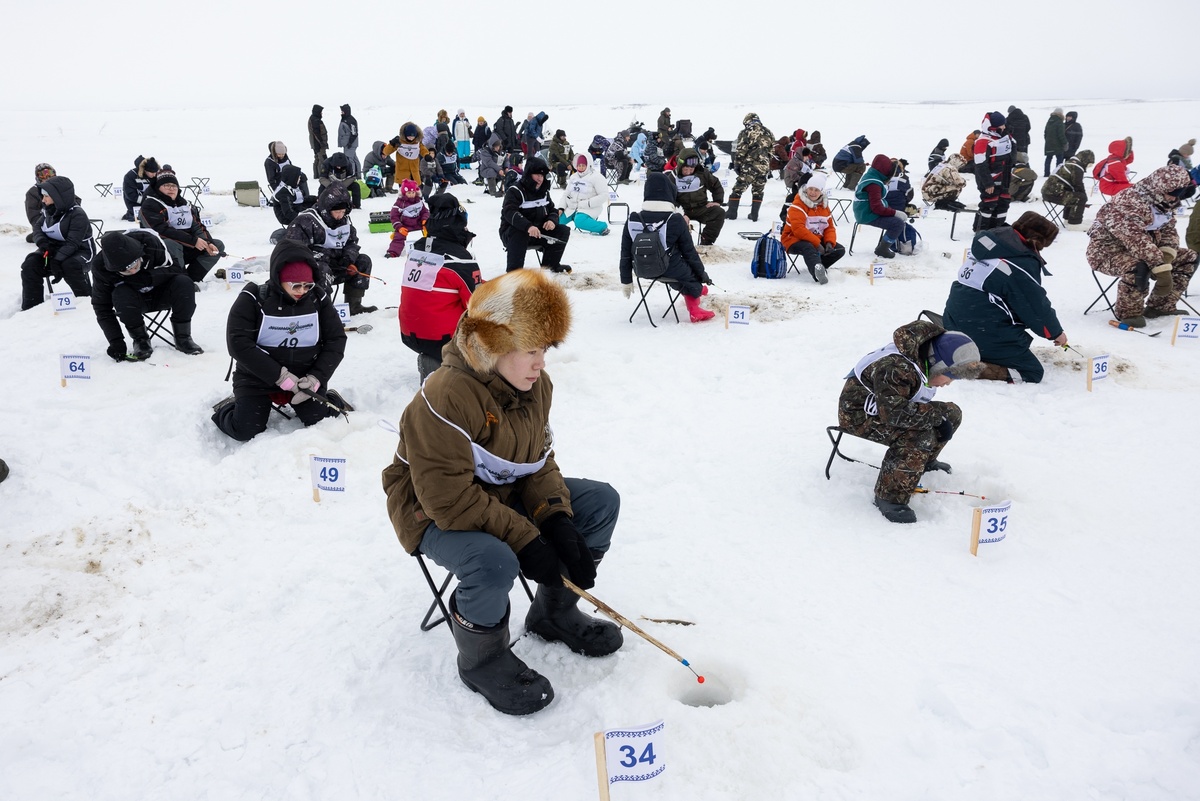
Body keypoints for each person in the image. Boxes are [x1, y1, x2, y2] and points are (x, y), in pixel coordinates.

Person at [382, 267, 622, 716]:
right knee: (495, 560)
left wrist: (555, 518)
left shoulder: (534, 385)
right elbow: (447, 501)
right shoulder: (445, 394)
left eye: (545, 349)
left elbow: (537, 460)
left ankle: (554, 612)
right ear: (492, 346)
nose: (541, 363)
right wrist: (528, 539)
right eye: (530, 350)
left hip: (498, 494)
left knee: (599, 502)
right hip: (429, 510)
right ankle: (482, 659)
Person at [837, 321, 982, 523]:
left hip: (890, 407)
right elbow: (895, 415)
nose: (948, 383)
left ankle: (924, 459)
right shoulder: (896, 368)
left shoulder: (922, 359)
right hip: (860, 414)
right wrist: (934, 417)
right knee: (918, 433)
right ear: (937, 364)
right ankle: (890, 497)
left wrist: (939, 418)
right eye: (949, 376)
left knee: (952, 413)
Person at [212, 240, 348, 441]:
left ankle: (330, 398)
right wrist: (281, 377)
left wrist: (316, 378)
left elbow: (336, 340)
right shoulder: (253, 298)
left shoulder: (318, 299)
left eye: (307, 285)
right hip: (257, 378)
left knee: (319, 420)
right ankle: (229, 407)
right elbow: (238, 344)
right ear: (279, 279)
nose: (302, 291)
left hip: (304, 380)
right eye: (295, 285)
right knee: (245, 430)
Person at [943, 212, 1065, 383]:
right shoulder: (1019, 263)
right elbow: (1034, 306)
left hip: (953, 322)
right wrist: (1055, 333)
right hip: (981, 331)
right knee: (1032, 372)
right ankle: (971, 367)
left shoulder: (992, 243)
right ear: (1037, 241)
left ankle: (962, 348)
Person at [1086, 164, 1197, 327]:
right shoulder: (1129, 201)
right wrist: (1160, 266)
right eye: (1171, 194)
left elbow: (1168, 230)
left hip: (1148, 250)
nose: (1174, 199)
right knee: (1138, 266)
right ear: (1159, 189)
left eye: (1178, 195)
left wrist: (1166, 256)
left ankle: (1161, 306)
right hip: (1107, 253)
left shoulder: (1164, 203)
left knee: (1189, 257)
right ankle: (1129, 313)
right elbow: (1135, 238)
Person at [400, 193, 484, 381]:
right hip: (441, 338)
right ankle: (465, 368)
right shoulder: (460, 258)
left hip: (409, 332)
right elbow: (477, 304)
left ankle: (435, 360)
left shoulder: (418, 249)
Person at [92, 230, 203, 361]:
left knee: (184, 283)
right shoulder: (101, 267)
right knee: (120, 293)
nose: (132, 271)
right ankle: (140, 340)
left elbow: (177, 269)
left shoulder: (150, 243)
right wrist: (116, 341)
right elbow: (101, 306)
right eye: (126, 271)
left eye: (135, 265)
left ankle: (183, 337)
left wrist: (148, 277)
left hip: (161, 293)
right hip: (132, 304)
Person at [619, 172, 715, 322]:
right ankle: (695, 307)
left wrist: (626, 281)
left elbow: (625, 254)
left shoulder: (633, 218)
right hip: (669, 268)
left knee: (680, 276)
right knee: (690, 277)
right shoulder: (675, 219)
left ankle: (697, 289)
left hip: (642, 269)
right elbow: (690, 253)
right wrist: (702, 276)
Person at [285, 184, 376, 313]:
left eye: (343, 212)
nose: (340, 215)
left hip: (339, 265)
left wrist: (347, 259)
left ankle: (353, 305)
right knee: (322, 268)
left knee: (363, 261)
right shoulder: (305, 221)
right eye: (337, 212)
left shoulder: (345, 222)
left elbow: (352, 243)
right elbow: (295, 250)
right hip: (313, 270)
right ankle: (323, 311)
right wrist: (326, 258)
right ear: (326, 209)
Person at [20, 175, 94, 310]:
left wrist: (56, 260)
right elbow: (37, 228)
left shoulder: (77, 214)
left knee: (69, 265)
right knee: (30, 264)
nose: (43, 200)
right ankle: (31, 308)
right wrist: (42, 243)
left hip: (81, 251)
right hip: (54, 250)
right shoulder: (48, 211)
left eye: (46, 196)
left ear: (57, 196)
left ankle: (87, 303)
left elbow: (73, 243)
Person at [139, 173, 223, 282]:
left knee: (217, 246)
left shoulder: (184, 204)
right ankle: (181, 280)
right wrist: (193, 241)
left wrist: (207, 242)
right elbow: (160, 230)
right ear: (158, 188)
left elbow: (197, 227)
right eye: (166, 185)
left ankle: (192, 278)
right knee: (171, 244)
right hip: (158, 250)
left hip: (186, 245)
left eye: (174, 186)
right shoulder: (150, 205)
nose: (171, 189)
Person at [499, 157, 571, 274]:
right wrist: (528, 226)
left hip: (538, 232)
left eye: (542, 176)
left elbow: (552, 210)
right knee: (519, 232)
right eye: (537, 174)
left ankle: (550, 266)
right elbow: (510, 213)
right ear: (528, 174)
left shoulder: (544, 192)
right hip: (513, 233)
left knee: (562, 230)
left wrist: (552, 220)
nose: (540, 179)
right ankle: (514, 272)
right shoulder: (515, 191)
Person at [781, 173, 844, 284]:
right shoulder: (798, 204)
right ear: (806, 189)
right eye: (810, 189)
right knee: (808, 247)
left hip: (816, 238)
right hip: (793, 239)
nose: (813, 193)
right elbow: (798, 229)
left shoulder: (824, 206)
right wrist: (817, 244)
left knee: (838, 250)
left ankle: (819, 267)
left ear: (821, 192)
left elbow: (829, 227)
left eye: (816, 190)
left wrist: (829, 242)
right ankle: (817, 274)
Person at [853, 154, 914, 260]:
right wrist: (895, 213)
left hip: (865, 211)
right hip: (867, 215)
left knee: (896, 221)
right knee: (897, 224)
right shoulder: (874, 184)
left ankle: (884, 245)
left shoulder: (871, 176)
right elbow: (877, 208)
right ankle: (883, 249)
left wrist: (891, 210)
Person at [726, 112, 775, 221]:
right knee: (758, 190)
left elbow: (741, 151)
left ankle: (731, 213)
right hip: (764, 166)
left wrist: (737, 164)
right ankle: (754, 215)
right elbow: (771, 151)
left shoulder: (746, 132)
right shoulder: (768, 132)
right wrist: (767, 164)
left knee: (738, 188)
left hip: (749, 165)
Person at [674, 147, 725, 245]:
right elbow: (668, 198)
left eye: (691, 169)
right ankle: (681, 246)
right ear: (680, 166)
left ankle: (706, 242)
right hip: (681, 211)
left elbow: (716, 185)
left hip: (701, 208)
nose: (689, 172)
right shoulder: (672, 177)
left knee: (719, 213)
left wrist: (717, 201)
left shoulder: (702, 173)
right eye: (686, 169)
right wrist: (680, 213)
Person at [973, 111, 1014, 230]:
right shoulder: (983, 141)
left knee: (1004, 203)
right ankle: (981, 229)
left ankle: (998, 228)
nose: (1004, 127)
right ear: (994, 127)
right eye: (1002, 125)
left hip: (1004, 178)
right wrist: (988, 183)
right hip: (990, 180)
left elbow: (1012, 154)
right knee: (989, 203)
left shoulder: (1003, 138)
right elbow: (980, 164)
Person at [559, 153, 610, 236]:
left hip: (587, 208)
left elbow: (604, 195)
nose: (581, 167)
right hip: (571, 208)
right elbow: (566, 193)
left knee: (579, 221)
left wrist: (587, 203)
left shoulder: (597, 177)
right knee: (556, 220)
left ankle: (602, 227)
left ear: (589, 165)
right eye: (579, 165)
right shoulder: (574, 177)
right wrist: (561, 208)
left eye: (583, 165)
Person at [1042, 149, 1094, 225]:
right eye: (1089, 164)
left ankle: (1068, 219)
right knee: (1080, 198)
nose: (1088, 166)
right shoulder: (1076, 167)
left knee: (1073, 195)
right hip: (1054, 194)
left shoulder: (1069, 163)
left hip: (1048, 193)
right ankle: (1074, 224)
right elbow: (1078, 184)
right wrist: (1084, 199)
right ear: (1085, 160)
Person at [384, 179, 430, 259]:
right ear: (404, 193)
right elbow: (394, 217)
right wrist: (399, 227)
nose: (411, 194)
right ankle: (392, 252)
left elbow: (425, 212)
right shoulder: (399, 203)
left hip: (418, 225)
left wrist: (424, 219)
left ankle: (430, 251)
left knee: (429, 234)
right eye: (409, 193)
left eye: (413, 192)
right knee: (399, 238)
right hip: (405, 226)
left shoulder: (419, 202)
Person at [24, 163, 67, 243]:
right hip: (46, 227)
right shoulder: (33, 193)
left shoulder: (61, 188)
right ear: (38, 178)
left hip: (65, 224)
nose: (48, 178)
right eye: (43, 176)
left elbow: (75, 201)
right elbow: (33, 217)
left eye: (50, 175)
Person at [382, 122, 428, 189]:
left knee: (416, 194)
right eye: (409, 136)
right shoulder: (399, 142)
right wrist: (392, 144)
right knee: (405, 195)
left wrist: (427, 155)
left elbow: (423, 150)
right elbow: (386, 152)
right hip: (402, 173)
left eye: (413, 136)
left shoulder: (417, 142)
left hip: (414, 173)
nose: (411, 138)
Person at [271, 164, 315, 232]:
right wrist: (303, 220)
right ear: (292, 178)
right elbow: (288, 212)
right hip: (285, 216)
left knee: (314, 205)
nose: (300, 179)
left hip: (294, 207)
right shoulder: (284, 193)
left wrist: (315, 199)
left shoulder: (290, 187)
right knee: (311, 212)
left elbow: (300, 198)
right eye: (298, 178)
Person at [121, 156, 159, 222]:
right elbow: (130, 194)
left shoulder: (155, 177)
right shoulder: (130, 176)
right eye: (152, 173)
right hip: (135, 204)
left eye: (155, 172)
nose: (154, 175)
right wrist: (145, 201)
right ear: (145, 170)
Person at [1043, 108, 1067, 177]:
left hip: (1048, 144)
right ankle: (1057, 173)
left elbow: (1045, 133)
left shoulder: (1049, 121)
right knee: (1059, 159)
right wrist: (1065, 143)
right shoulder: (1059, 122)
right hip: (1058, 144)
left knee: (1048, 158)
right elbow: (1061, 135)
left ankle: (1046, 173)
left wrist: (1048, 140)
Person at [338, 104, 360, 178]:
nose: (341, 113)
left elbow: (354, 133)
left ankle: (352, 175)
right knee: (354, 159)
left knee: (349, 160)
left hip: (350, 144)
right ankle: (358, 175)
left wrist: (350, 142)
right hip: (347, 143)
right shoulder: (345, 119)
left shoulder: (351, 120)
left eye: (342, 112)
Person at [308, 105, 328, 179]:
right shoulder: (315, 120)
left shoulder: (313, 118)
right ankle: (322, 175)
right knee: (323, 159)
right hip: (318, 144)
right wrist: (321, 142)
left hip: (315, 143)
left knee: (317, 158)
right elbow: (316, 133)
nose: (321, 114)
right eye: (321, 112)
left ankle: (316, 175)